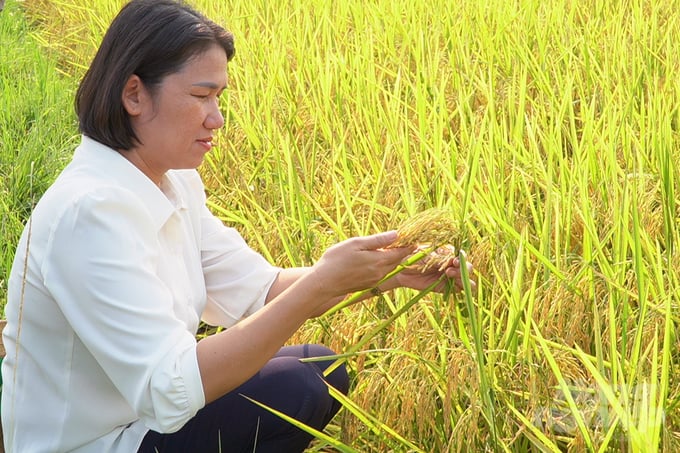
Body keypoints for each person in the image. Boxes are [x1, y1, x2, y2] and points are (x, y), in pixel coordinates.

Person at [0, 1, 474, 452]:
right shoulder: (89, 212)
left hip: (141, 418)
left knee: (321, 368)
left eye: (219, 97)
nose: (217, 118)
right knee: (295, 389)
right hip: (97, 442)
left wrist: (383, 272)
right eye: (201, 95)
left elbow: (258, 288)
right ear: (134, 94)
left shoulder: (173, 183)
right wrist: (321, 284)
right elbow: (170, 389)